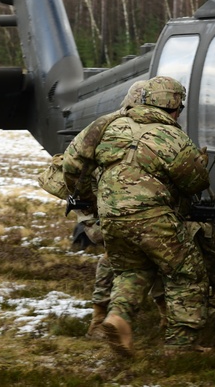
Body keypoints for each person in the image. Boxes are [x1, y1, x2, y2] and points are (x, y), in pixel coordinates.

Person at [94, 75, 210, 356]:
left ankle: (118, 317)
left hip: (111, 217)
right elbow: (195, 183)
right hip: (152, 218)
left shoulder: (114, 128)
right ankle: (181, 346)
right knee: (186, 272)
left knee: (132, 271)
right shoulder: (172, 136)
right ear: (174, 108)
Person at [53, 80, 165, 339]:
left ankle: (101, 318)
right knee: (139, 256)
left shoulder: (106, 127)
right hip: (108, 211)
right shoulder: (137, 131)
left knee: (122, 255)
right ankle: (155, 315)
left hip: (103, 210)